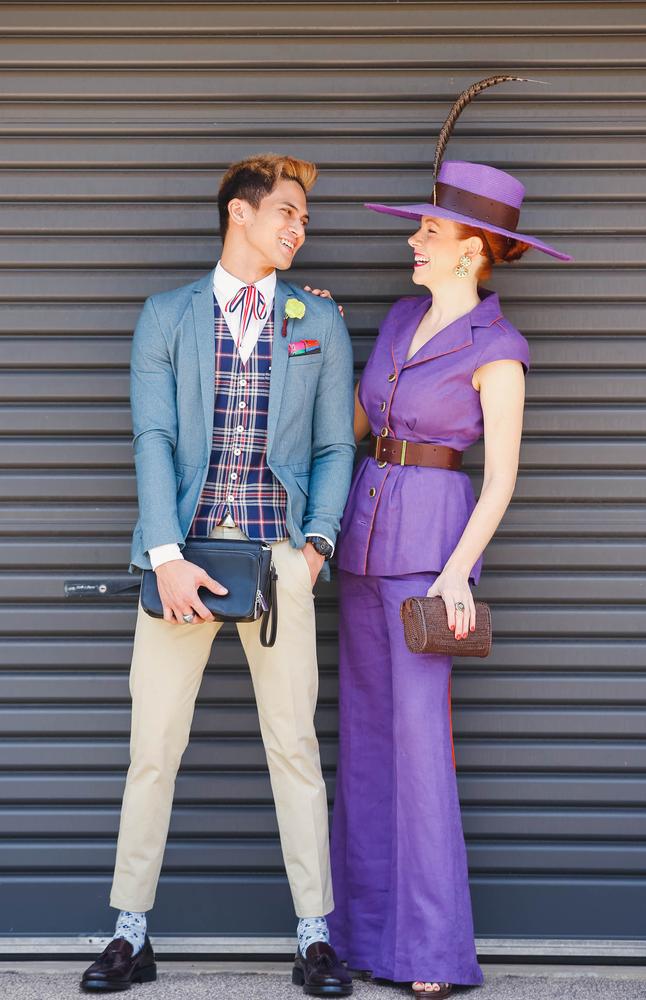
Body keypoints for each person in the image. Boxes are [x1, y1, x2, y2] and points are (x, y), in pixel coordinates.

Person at [81, 153, 355, 996]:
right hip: (183, 559)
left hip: (280, 563)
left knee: (295, 748)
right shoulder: (167, 317)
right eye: (287, 213)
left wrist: (314, 549)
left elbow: (337, 445)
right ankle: (130, 932)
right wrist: (164, 556)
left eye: (304, 218)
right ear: (240, 213)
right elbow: (153, 441)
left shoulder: (319, 319)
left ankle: (315, 937)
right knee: (153, 749)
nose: (298, 229)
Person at [328, 77, 573, 999]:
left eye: (427, 230)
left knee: (421, 752)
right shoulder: (395, 317)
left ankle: (429, 956)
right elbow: (351, 424)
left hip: (431, 558)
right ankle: (363, 937)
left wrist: (461, 571)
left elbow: (502, 478)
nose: (412, 240)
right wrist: (308, 323)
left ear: (471, 248)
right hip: (360, 548)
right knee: (365, 745)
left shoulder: (498, 349)